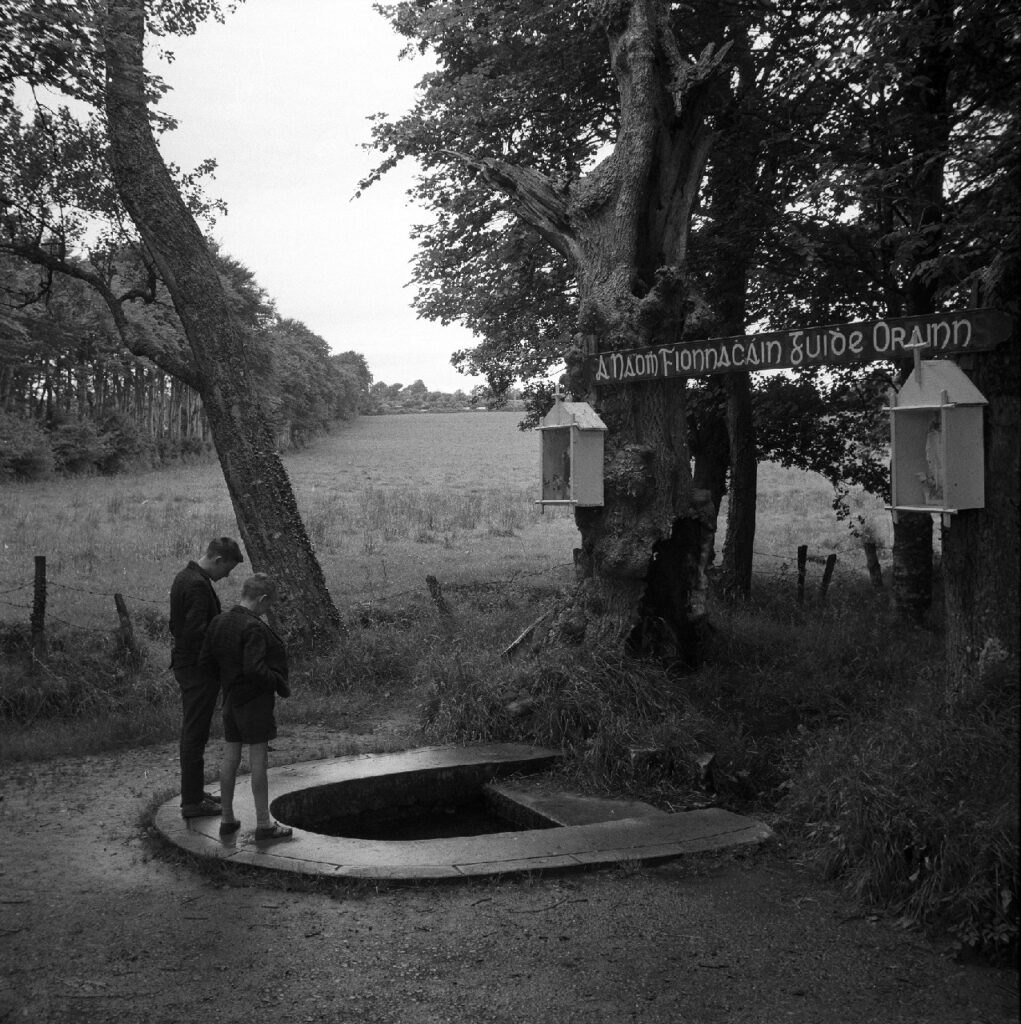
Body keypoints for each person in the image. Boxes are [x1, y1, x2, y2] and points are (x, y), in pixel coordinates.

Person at [198, 573, 293, 842]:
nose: (268, 611)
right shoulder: (253, 628)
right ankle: (264, 824)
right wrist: (277, 682)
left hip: (230, 701)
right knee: (258, 762)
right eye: (269, 605)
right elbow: (254, 668)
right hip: (254, 703)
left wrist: (228, 682)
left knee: (230, 759)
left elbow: (205, 662)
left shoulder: (218, 622)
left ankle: (227, 819)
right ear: (262, 599)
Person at [169, 536, 244, 818]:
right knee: (195, 733)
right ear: (217, 560)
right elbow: (196, 632)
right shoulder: (199, 586)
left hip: (187, 666)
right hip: (197, 671)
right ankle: (191, 802)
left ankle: (194, 793)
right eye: (228, 569)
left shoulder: (184, 576)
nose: (227, 576)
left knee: (194, 731)